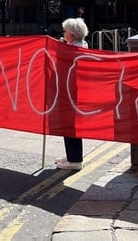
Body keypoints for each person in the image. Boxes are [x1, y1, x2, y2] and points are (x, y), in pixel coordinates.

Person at [54, 17, 90, 171]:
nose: (63, 33)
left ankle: (75, 160)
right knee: (68, 125)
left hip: (70, 94)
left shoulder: (73, 51)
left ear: (73, 34)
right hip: (71, 93)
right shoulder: (79, 46)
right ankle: (71, 156)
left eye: (65, 31)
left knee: (70, 125)